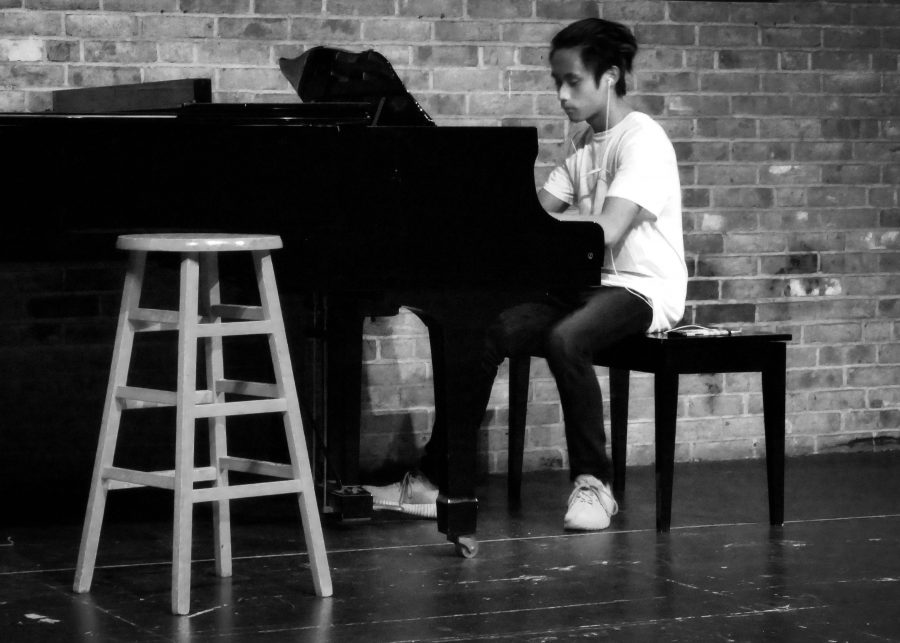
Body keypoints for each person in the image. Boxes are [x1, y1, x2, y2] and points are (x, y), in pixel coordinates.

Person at [364, 17, 686, 531]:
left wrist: (539, 228)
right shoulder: (579, 143)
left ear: (609, 76)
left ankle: (594, 485)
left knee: (566, 338)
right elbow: (535, 217)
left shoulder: (642, 139)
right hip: (590, 286)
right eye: (556, 81)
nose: (561, 94)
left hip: (642, 288)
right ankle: (433, 479)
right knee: (488, 332)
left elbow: (605, 229)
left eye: (572, 81)